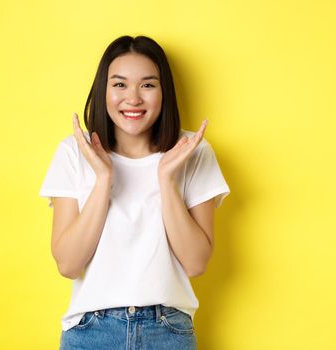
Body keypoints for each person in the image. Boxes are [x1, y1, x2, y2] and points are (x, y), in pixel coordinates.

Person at [39, 35, 230, 350]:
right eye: (119, 85)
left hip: (167, 331)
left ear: (163, 91)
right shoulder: (75, 152)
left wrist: (166, 179)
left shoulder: (192, 151)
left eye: (147, 85)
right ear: (103, 91)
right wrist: (103, 178)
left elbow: (196, 263)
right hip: (90, 332)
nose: (133, 98)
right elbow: (69, 265)